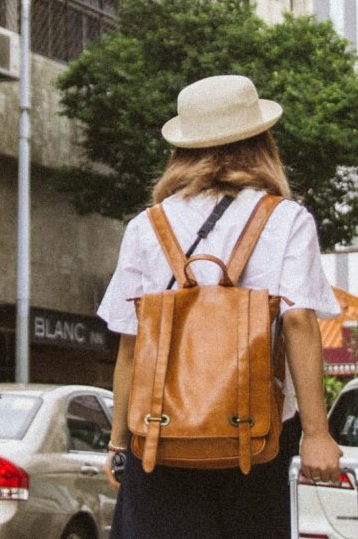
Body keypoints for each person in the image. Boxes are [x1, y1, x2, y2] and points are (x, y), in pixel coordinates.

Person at [98, 74, 344, 538]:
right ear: (261, 141)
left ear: (182, 148)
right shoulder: (285, 219)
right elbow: (298, 320)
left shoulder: (146, 226)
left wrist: (118, 444)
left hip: (158, 436)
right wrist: (317, 434)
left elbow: (131, 346)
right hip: (256, 436)